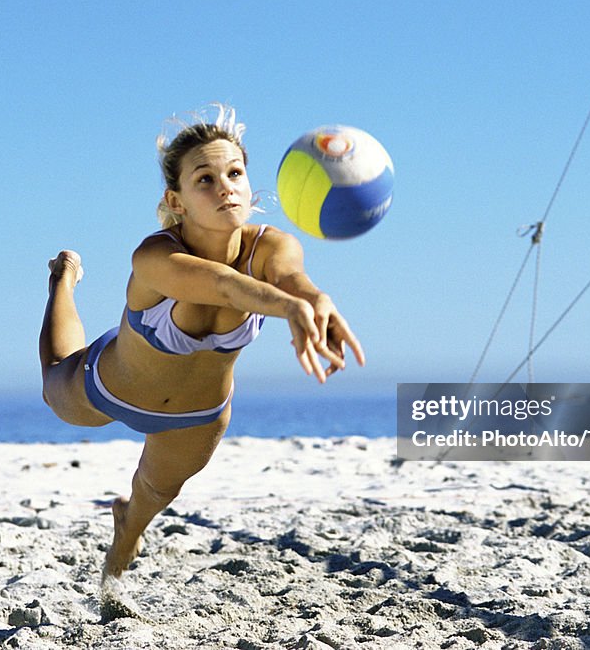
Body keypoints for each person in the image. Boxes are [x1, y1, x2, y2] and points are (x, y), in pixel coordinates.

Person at [38, 105, 365, 580]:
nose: (225, 186)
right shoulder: (155, 255)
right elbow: (222, 285)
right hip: (109, 387)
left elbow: (292, 278)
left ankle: (124, 538)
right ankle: (62, 281)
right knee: (54, 383)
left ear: (251, 188)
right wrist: (291, 308)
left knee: (153, 495)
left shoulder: (272, 246)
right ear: (178, 200)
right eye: (205, 179)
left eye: (235, 173)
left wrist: (314, 299)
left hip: (197, 416)